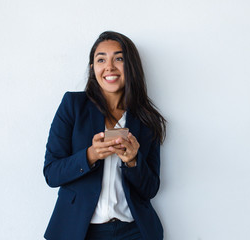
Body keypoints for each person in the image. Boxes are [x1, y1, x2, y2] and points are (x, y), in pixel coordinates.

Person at [43, 31, 166, 240]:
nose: (109, 67)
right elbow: (52, 173)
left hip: (134, 232)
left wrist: (133, 162)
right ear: (93, 68)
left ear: (131, 66)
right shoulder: (72, 106)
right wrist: (89, 156)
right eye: (101, 59)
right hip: (80, 232)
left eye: (119, 58)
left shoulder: (146, 119)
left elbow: (150, 188)